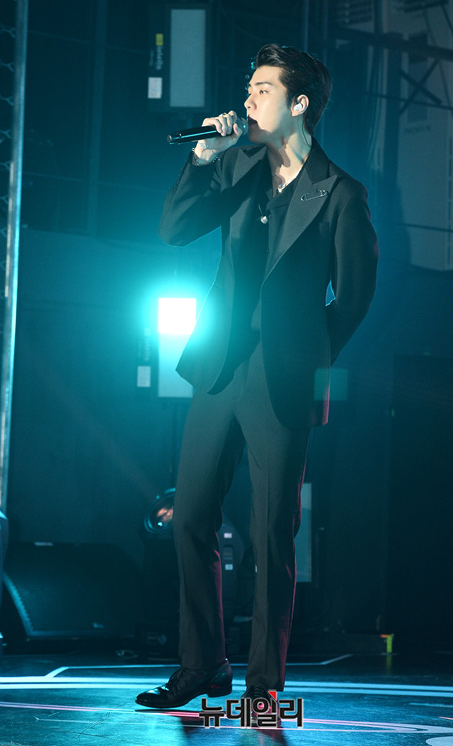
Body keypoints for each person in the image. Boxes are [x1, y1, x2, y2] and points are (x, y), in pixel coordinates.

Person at [136, 43, 378, 717]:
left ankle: (262, 684)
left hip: (284, 380)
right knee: (189, 516)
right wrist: (202, 158)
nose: (247, 101)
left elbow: (355, 298)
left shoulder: (341, 193)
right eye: (249, 90)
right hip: (220, 367)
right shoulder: (235, 164)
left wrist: (307, 354)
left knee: (271, 534)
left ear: (298, 104)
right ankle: (202, 664)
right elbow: (172, 230)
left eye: (262, 90)